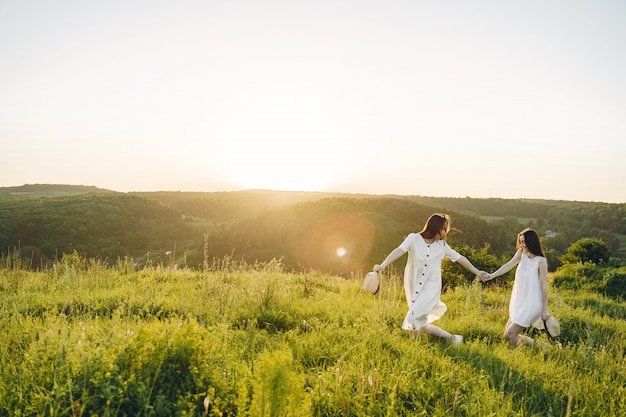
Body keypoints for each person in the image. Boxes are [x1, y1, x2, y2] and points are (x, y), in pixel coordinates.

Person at [373, 213, 485, 345]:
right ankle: (453, 339)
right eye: (443, 229)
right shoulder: (413, 238)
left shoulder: (442, 246)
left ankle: (414, 346)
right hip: (413, 283)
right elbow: (399, 250)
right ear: (435, 227)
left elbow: (460, 258)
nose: (444, 233)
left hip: (431, 287)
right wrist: (383, 265)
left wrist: (477, 272)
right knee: (422, 326)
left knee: (414, 315)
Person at [480, 228, 550, 347]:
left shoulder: (541, 261)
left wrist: (545, 309)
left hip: (532, 303)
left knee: (512, 332)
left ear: (531, 242)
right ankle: (542, 346)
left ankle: (516, 357)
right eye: (520, 242)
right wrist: (492, 276)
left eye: (524, 242)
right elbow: (507, 265)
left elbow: (544, 286)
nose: (522, 245)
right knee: (507, 335)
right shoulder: (521, 254)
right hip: (519, 301)